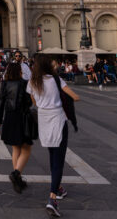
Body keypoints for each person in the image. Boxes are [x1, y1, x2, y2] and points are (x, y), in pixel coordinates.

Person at [27, 55, 80, 217]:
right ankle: (52, 198)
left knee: (52, 156)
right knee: (58, 160)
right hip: (58, 120)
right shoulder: (56, 80)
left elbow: (33, 101)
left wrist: (44, 103)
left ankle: (58, 188)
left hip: (43, 121)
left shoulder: (32, 81)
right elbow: (75, 97)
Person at [0, 62, 34, 194]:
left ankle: (17, 180)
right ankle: (16, 173)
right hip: (21, 117)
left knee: (15, 148)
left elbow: (0, 102)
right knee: (27, 148)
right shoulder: (24, 83)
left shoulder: (5, 83)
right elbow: (29, 102)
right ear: (19, 71)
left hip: (9, 117)